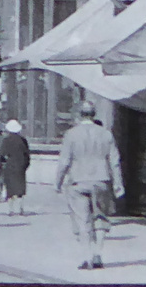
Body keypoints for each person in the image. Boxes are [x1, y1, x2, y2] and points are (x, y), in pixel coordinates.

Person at [55, 100, 124, 271]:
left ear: (79, 115)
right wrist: (118, 182)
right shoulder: (106, 134)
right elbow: (114, 160)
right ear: (94, 115)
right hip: (101, 179)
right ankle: (98, 254)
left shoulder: (71, 134)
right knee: (100, 217)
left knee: (82, 219)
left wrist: (58, 181)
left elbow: (64, 161)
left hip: (78, 180)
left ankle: (87, 257)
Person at [0, 119, 30, 216]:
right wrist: (25, 165)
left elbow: (2, 154)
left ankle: (11, 210)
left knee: (10, 189)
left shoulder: (6, 140)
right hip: (21, 165)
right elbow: (27, 154)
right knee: (20, 188)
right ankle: (21, 208)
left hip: (10, 165)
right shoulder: (23, 140)